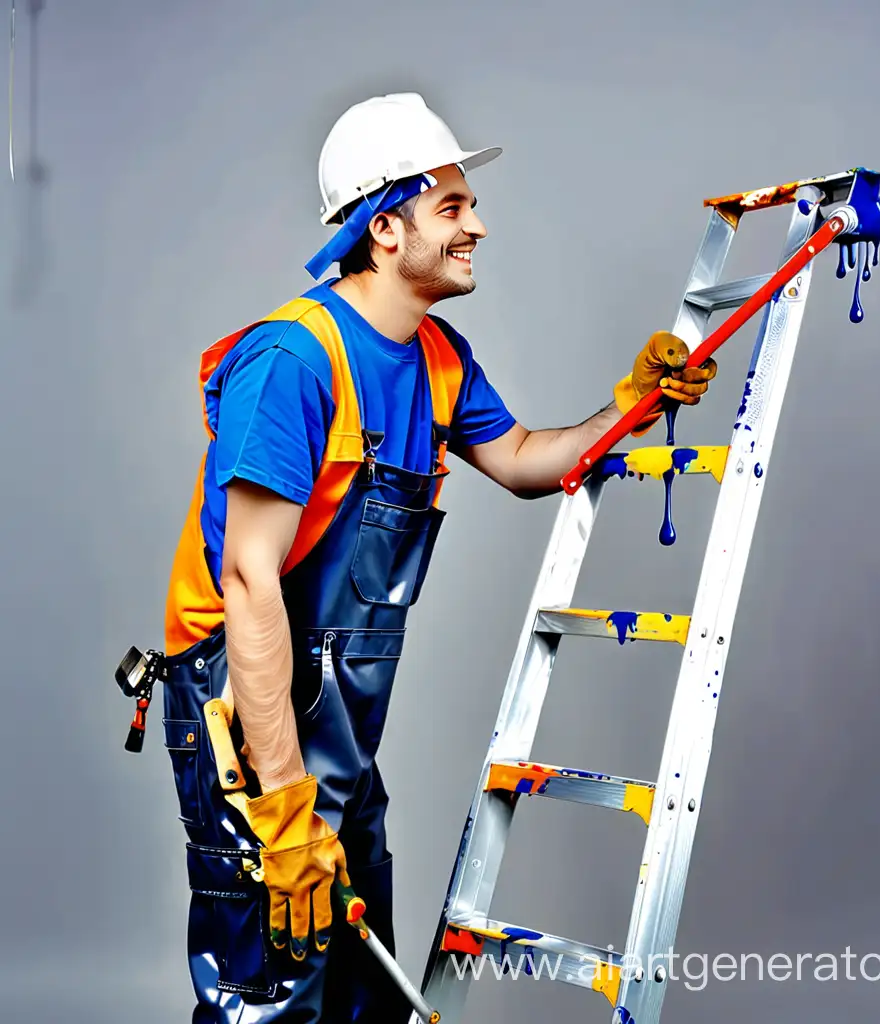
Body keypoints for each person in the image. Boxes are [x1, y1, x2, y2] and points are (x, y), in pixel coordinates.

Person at [156, 91, 717, 1022]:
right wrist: (286, 802)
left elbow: (530, 460)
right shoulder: (295, 362)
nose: (478, 227)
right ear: (385, 229)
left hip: (333, 722)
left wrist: (637, 402)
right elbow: (251, 582)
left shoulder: (436, 360)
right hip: (245, 720)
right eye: (453, 208)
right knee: (274, 990)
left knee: (360, 983)